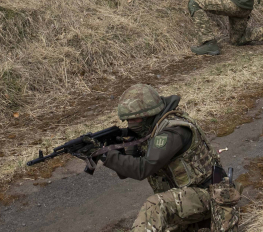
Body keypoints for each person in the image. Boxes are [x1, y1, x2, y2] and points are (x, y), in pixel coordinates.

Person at [101, 84, 240, 232]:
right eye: (127, 120)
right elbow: (126, 171)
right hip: (186, 198)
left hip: (209, 196)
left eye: (134, 120)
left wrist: (105, 155)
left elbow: (142, 169)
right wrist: (117, 149)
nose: (130, 125)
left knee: (155, 206)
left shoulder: (173, 130)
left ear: (148, 115)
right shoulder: (151, 130)